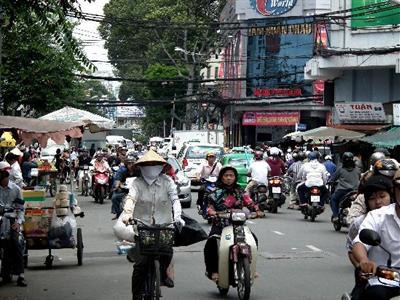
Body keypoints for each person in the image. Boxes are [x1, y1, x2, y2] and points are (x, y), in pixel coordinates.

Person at [121, 150, 185, 297]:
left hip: (164, 225)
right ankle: (136, 295)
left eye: (154, 164)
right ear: (141, 167)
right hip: (142, 226)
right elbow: (131, 199)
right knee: (140, 264)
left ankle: (163, 275)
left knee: (167, 252)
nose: (151, 167)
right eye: (148, 164)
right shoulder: (137, 183)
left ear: (161, 166)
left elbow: (175, 199)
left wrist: (178, 216)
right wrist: (127, 214)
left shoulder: (168, 181)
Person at [203, 166, 264, 282]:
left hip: (238, 225)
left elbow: (249, 202)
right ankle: (213, 271)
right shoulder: (214, 191)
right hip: (220, 225)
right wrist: (212, 212)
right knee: (211, 244)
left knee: (253, 240)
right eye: (226, 176)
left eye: (231, 175)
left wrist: (257, 210)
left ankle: (250, 268)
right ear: (221, 177)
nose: (229, 178)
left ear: (235, 177)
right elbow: (209, 207)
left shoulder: (240, 191)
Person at [350, 172, 400, 300]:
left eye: (382, 196)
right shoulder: (377, 216)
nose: (378, 202)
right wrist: (364, 260)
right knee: (375, 295)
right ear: (395, 190)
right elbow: (359, 243)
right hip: (385, 278)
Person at [0, 162, 27, 287]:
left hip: (12, 221)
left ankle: (20, 275)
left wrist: (18, 223)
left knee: (16, 244)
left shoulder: (16, 189)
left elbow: (21, 209)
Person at [329, 152, 361, 222]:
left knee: (333, 200)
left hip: (342, 191)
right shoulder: (357, 169)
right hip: (355, 191)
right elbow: (360, 178)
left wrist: (330, 181)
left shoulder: (340, 169)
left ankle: (336, 216)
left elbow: (333, 178)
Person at [111, 155, 138, 220]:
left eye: (132, 163)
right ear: (126, 164)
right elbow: (117, 180)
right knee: (114, 198)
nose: (131, 165)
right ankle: (118, 214)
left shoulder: (138, 171)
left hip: (137, 190)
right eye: (129, 163)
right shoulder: (122, 170)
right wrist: (117, 185)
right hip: (125, 189)